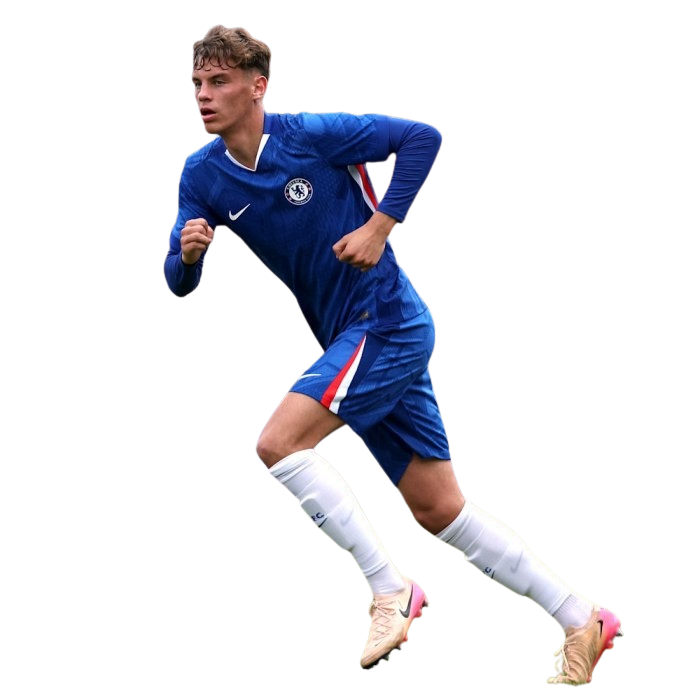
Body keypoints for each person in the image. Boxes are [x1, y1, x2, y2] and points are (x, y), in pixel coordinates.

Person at [164, 24, 624, 685]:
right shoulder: (201, 172)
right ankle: (582, 618)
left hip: (385, 321)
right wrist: (188, 257)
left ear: (258, 86)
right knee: (439, 510)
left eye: (219, 81)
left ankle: (389, 589)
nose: (204, 95)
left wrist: (381, 227)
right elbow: (177, 282)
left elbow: (421, 138)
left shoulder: (312, 135)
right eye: (197, 84)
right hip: (354, 335)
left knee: (278, 444)